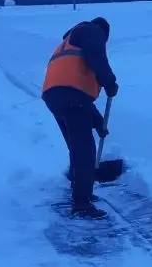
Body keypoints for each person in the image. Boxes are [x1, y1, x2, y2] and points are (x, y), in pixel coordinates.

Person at [42, 16, 118, 218]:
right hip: (70, 95)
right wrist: (109, 82)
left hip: (55, 95)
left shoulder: (69, 42)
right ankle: (81, 204)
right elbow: (98, 59)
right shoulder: (92, 31)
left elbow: (77, 94)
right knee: (84, 150)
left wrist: (98, 122)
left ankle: (79, 192)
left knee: (77, 148)